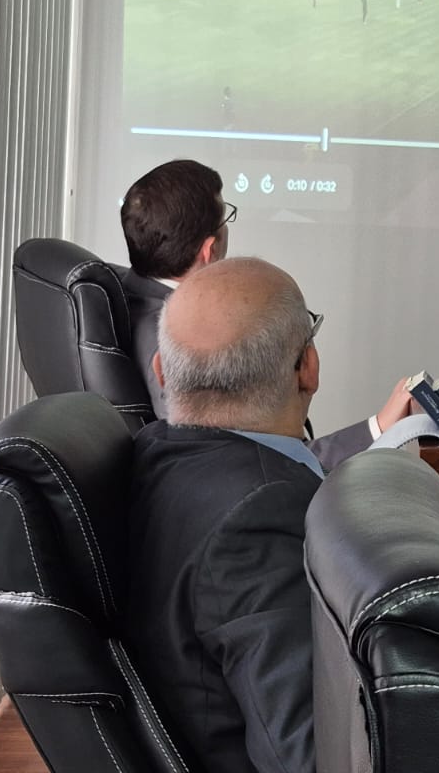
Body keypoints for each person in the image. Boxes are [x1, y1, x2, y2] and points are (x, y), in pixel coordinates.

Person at [126, 257, 325, 773]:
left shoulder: (152, 458)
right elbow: (301, 757)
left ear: (161, 371)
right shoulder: (259, 515)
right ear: (309, 367)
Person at [118, 159, 406, 467]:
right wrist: (380, 427)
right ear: (209, 250)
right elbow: (249, 461)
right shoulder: (181, 340)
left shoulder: (128, 302)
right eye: (225, 217)